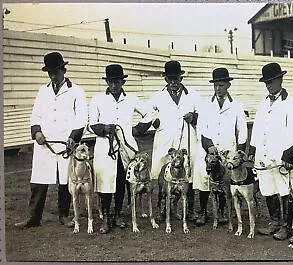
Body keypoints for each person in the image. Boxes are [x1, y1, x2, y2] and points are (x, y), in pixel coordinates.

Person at [15, 52, 88, 228]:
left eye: (56, 71)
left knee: (65, 180)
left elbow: (82, 118)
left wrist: (73, 137)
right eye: (50, 72)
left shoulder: (76, 91)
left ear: (64, 69)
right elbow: (36, 115)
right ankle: (33, 217)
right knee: (39, 180)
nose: (53, 76)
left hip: (65, 143)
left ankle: (64, 215)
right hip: (44, 143)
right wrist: (37, 132)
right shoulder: (43, 91)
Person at [132, 60, 199, 221]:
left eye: (176, 78)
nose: (173, 82)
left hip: (186, 141)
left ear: (181, 78)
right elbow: (147, 115)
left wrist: (194, 117)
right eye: (170, 79)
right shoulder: (157, 96)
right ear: (165, 79)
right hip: (165, 140)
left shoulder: (193, 95)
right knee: (163, 176)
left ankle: (188, 210)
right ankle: (162, 208)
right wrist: (151, 123)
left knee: (188, 174)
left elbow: (204, 116)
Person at [88, 64, 150, 234]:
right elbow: (91, 123)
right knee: (106, 180)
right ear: (107, 82)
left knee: (122, 180)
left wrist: (137, 130)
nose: (114, 85)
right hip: (105, 147)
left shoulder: (131, 99)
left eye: (117, 82)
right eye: (110, 82)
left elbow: (150, 113)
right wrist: (105, 128)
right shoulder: (97, 99)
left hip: (127, 147)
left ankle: (118, 214)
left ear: (122, 82)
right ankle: (106, 217)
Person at [248, 62, 293, 240]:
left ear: (280, 79)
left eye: (271, 81)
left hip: (282, 156)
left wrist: (289, 153)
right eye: (266, 82)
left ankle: (287, 226)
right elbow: (256, 128)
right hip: (264, 154)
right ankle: (275, 221)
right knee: (267, 188)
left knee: (285, 189)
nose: (269, 85)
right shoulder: (263, 103)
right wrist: (253, 148)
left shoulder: (292, 103)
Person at [194, 67, 248, 226]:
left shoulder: (236, 106)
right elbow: (201, 128)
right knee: (205, 179)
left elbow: (242, 131)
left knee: (224, 180)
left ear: (228, 85)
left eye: (221, 85)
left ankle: (222, 212)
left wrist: (239, 155)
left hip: (227, 150)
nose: (218, 89)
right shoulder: (205, 105)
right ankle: (202, 211)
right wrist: (208, 145)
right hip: (208, 150)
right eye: (215, 85)